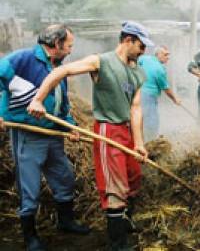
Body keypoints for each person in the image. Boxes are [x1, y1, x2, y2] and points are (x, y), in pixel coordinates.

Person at [28, 21, 151, 251]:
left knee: (133, 178)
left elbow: (136, 109)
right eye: (141, 46)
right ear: (128, 40)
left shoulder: (138, 71)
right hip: (108, 130)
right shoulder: (101, 61)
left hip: (127, 131)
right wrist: (38, 99)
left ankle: (125, 221)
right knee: (116, 187)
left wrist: (140, 143)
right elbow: (62, 71)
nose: (144, 51)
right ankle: (117, 245)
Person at [0, 24, 90, 251]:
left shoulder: (60, 68)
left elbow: (63, 105)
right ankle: (30, 237)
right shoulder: (24, 59)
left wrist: (71, 127)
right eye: (68, 45)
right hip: (28, 134)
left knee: (64, 177)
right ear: (56, 44)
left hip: (53, 134)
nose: (70, 50)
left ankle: (66, 221)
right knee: (29, 186)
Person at [138, 45, 180, 141]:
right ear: (158, 54)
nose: (168, 57)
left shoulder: (144, 58)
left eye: (168, 55)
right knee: (152, 121)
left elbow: (134, 64)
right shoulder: (160, 69)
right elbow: (166, 88)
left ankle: (141, 139)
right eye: (166, 55)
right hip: (148, 96)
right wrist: (175, 99)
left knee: (140, 118)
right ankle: (151, 143)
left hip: (138, 93)